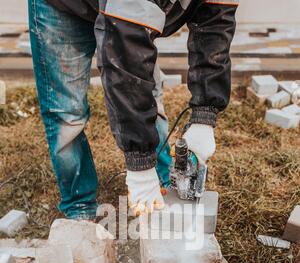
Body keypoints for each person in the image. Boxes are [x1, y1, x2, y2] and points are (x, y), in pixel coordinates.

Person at [29, 0, 239, 219]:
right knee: (67, 113)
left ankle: (162, 186)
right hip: (65, 6)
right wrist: (139, 162)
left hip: (127, 12)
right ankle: (80, 208)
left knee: (149, 96)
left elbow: (216, 25)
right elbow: (126, 67)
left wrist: (204, 115)